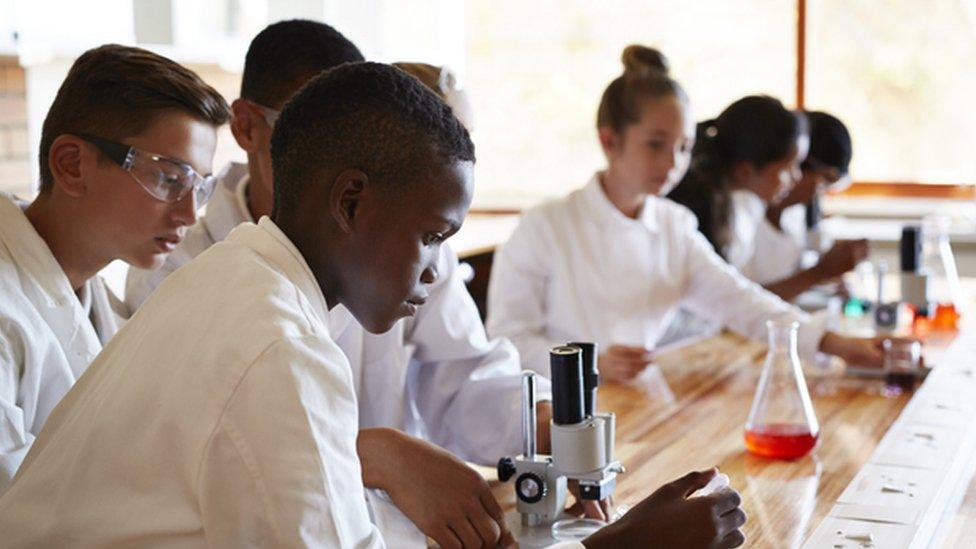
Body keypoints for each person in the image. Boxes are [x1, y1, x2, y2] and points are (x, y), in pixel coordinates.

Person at [0, 62, 746, 549]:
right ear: (351, 199)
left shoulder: (252, 283)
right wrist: (617, 548)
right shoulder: (275, 342)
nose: (432, 271)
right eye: (430, 236)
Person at [123, 21, 560, 543]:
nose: (433, 263)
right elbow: (231, 463)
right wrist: (370, 452)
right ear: (247, 127)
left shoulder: (393, 244)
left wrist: (553, 424)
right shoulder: (211, 282)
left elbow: (462, 377)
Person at [487, 46, 885, 383]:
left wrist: (835, 343)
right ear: (610, 140)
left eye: (683, 148)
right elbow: (507, 339)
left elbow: (739, 300)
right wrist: (590, 364)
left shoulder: (673, 226)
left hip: (641, 403)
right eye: (656, 145)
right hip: (558, 416)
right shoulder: (545, 226)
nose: (672, 163)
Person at [0, 44, 229, 492]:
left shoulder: (99, 303)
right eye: (169, 178)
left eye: (200, 188)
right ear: (72, 165)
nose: (188, 214)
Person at [668, 98, 867, 302]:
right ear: (745, 171)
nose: (796, 177)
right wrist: (819, 273)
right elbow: (732, 304)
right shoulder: (731, 215)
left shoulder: (741, 209)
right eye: (789, 167)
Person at [747, 111, 866, 298]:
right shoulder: (745, 218)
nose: (820, 192)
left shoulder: (793, 217)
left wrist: (826, 283)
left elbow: (788, 281)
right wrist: (820, 272)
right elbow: (739, 303)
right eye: (825, 180)